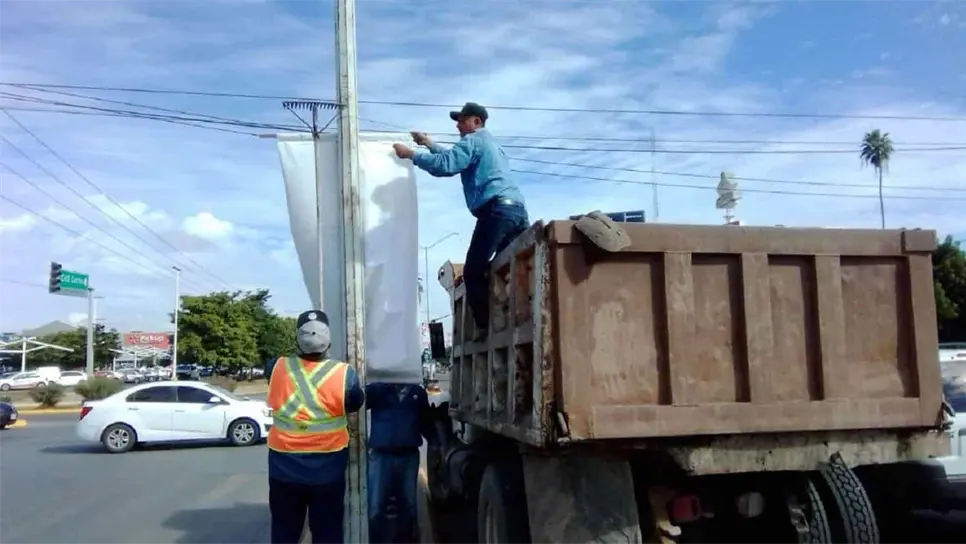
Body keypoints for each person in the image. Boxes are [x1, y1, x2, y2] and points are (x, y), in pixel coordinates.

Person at [393, 102, 530, 341]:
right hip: (516, 211)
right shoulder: (490, 144)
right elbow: (452, 156)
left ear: (476, 122)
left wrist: (412, 155)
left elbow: (446, 165)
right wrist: (428, 143)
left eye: (461, 120)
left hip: (496, 211)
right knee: (507, 265)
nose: (457, 125)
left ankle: (486, 326)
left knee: (473, 270)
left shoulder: (472, 141)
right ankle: (521, 314)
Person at [266, 310, 366, 544]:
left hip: (283, 468)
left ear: (297, 339)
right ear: (328, 340)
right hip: (327, 470)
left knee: (284, 530)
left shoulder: (275, 367)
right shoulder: (344, 374)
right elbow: (355, 402)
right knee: (328, 532)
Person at [365, 381, 436, 544]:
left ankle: (405, 540)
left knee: (409, 505)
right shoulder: (378, 390)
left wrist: (436, 441)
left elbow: (425, 422)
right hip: (382, 456)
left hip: (408, 456)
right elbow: (358, 403)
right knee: (376, 506)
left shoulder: (417, 393)